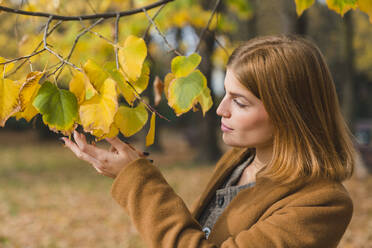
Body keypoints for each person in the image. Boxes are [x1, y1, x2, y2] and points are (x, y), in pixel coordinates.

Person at [62, 34, 355, 247]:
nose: (220, 109)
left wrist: (137, 180)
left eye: (239, 102)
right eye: (225, 93)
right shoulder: (241, 160)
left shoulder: (321, 204)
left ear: (289, 112)